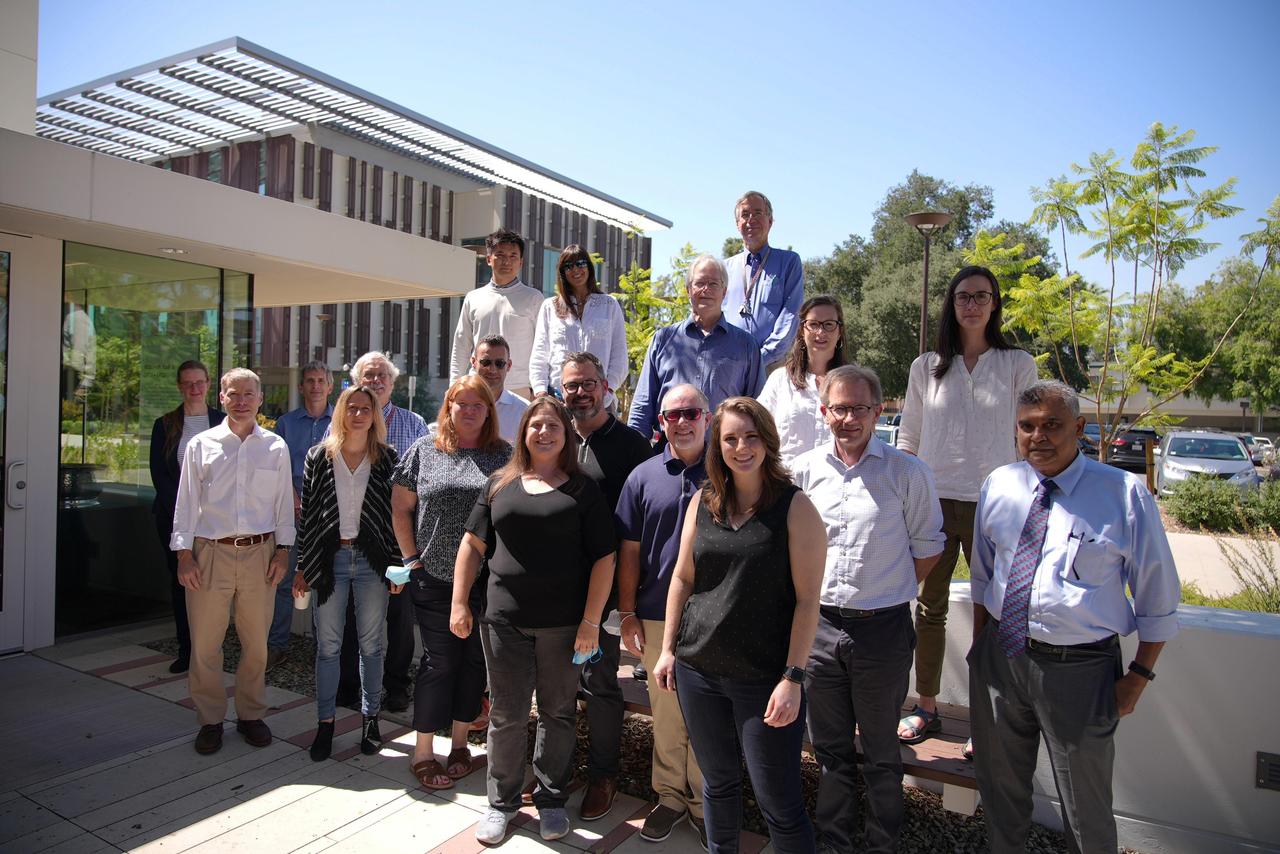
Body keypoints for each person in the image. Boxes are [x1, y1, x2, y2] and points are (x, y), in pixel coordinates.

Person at [968, 380, 1180, 853]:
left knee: (1085, 807)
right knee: (1001, 790)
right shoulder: (1001, 484)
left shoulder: (1122, 494)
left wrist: (1140, 675)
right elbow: (985, 576)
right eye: (1027, 426)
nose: (1038, 437)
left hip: (1080, 671)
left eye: (1052, 426)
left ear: (1079, 428)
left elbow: (1157, 596)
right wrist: (981, 648)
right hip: (1002, 657)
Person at [653, 397, 825, 854]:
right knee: (719, 783)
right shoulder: (702, 502)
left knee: (780, 804)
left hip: (763, 679)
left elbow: (809, 601)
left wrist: (793, 677)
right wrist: (668, 649)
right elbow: (683, 578)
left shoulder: (795, 508)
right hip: (698, 671)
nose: (741, 447)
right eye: (730, 438)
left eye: (751, 436)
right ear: (718, 444)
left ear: (767, 441)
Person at [791, 365, 945, 854]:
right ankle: (834, 842)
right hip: (820, 630)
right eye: (840, 408)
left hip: (882, 631)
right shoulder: (804, 471)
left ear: (880, 411)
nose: (849, 418)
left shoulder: (908, 473)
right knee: (831, 750)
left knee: (881, 751)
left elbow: (928, 549)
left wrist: (886, 587)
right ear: (824, 412)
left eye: (860, 408)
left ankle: (883, 843)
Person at [450, 397, 617, 845]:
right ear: (523, 432)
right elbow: (471, 545)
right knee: (506, 714)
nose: (543, 433)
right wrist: (459, 602)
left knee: (558, 713)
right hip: (504, 622)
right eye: (535, 426)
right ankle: (500, 804)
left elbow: (605, 557)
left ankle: (550, 799)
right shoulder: (499, 484)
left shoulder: (585, 489)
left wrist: (590, 621)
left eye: (553, 426)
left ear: (566, 435)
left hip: (565, 626)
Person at [897, 265, 1038, 755]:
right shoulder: (927, 366)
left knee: (990, 614)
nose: (972, 305)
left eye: (981, 296)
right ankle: (926, 706)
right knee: (928, 609)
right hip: (933, 505)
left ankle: (984, 716)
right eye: (963, 297)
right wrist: (907, 502)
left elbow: (1027, 436)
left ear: (995, 304)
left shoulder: (1017, 363)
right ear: (951, 305)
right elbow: (910, 440)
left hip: (995, 505)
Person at [391, 376, 510, 790]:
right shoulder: (425, 449)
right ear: (449, 406)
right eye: (463, 402)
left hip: (487, 580)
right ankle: (423, 750)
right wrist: (411, 559)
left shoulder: (505, 457)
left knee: (474, 662)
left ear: (489, 411)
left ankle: (460, 742)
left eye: (479, 403)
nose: (471, 410)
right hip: (434, 576)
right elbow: (401, 508)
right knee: (439, 661)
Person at [170, 368, 293, 755]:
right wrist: (184, 554)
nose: (241, 400)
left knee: (256, 643)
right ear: (220, 397)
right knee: (205, 644)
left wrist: (284, 550)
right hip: (209, 553)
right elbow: (186, 501)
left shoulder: (275, 446)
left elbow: (283, 505)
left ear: (260, 399)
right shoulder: (201, 444)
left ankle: (250, 714)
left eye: (248, 394)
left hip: (261, 554)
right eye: (233, 393)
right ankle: (209, 720)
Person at [558, 352, 653, 821]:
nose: (580, 393)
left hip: (610, 592)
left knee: (600, 683)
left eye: (588, 384)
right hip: (556, 587)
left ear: (605, 387)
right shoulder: (553, 438)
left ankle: (603, 773)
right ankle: (560, 768)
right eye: (571, 386)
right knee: (557, 683)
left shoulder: (632, 446)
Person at [615, 383, 710, 846]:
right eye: (673, 415)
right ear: (661, 424)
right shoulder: (643, 477)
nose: (683, 421)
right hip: (654, 615)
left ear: (707, 418)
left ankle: (704, 801)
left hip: (716, 617)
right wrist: (627, 612)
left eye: (692, 412)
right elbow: (628, 551)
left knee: (709, 714)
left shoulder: (731, 471)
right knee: (668, 714)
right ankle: (671, 797)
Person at [293, 385, 402, 761]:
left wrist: (396, 566)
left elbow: (394, 519)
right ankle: (326, 724)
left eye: (365, 409)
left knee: (373, 646)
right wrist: (302, 566)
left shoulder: (388, 458)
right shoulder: (318, 457)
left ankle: (371, 720)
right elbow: (308, 517)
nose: (358, 414)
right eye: (352, 408)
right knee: (328, 647)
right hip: (329, 560)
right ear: (341, 412)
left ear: (375, 415)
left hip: (373, 562)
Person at [328, 352, 428, 714]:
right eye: (368, 375)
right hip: (356, 537)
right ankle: (349, 685)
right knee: (354, 613)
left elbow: (425, 477)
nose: (376, 380)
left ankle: (397, 685)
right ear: (358, 380)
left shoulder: (414, 423)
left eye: (382, 375)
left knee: (400, 616)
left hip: (400, 537)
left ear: (393, 381)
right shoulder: (338, 425)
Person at [628, 255, 764, 437]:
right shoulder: (663, 341)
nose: (706, 289)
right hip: (670, 454)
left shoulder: (746, 345)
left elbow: (758, 409)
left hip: (723, 456)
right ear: (688, 290)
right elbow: (643, 405)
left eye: (714, 284)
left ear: (724, 291)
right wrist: (635, 451)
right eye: (699, 283)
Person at [149, 360, 224, 674]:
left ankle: (211, 651)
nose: (195, 389)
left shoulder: (224, 421)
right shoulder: (165, 425)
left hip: (217, 521)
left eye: (200, 382)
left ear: (209, 384)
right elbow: (160, 475)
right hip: (174, 518)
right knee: (182, 583)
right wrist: (184, 512)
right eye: (188, 383)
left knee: (215, 586)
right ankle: (187, 650)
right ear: (180, 386)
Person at [268, 361, 334, 672]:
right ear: (301, 386)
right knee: (283, 580)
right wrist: (291, 498)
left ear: (330, 386)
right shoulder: (285, 423)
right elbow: (276, 468)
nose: (316, 386)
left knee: (323, 581)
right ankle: (277, 645)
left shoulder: (342, 421)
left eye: (321, 380)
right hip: (290, 510)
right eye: (310, 381)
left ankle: (323, 650)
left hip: (327, 514)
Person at [449, 229, 545, 399]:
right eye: (500, 255)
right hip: (478, 387)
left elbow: (543, 347)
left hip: (519, 388)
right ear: (488, 259)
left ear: (521, 262)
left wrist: (539, 387)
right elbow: (461, 344)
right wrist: (454, 386)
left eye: (513, 256)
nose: (506, 261)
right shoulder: (473, 298)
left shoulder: (534, 298)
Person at [529, 245, 628, 407]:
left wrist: (608, 391)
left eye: (580, 263)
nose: (575, 269)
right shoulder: (550, 307)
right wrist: (541, 392)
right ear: (562, 272)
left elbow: (619, 356)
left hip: (599, 399)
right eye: (568, 266)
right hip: (559, 398)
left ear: (589, 267)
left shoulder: (609, 305)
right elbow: (540, 354)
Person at [756, 295, 848, 466]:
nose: (820, 332)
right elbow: (757, 431)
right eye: (813, 324)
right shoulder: (779, 380)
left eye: (829, 324)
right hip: (786, 485)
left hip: (836, 484)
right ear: (801, 330)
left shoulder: (854, 385)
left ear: (839, 331)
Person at [722, 191, 805, 370]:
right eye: (745, 215)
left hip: (772, 365)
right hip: (731, 366)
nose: (751, 219)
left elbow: (791, 314)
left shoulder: (788, 262)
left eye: (758, 213)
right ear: (737, 224)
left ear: (770, 221)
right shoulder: (724, 268)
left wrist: (762, 357)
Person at [469, 334, 528, 443]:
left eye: (499, 363)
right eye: (486, 362)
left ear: (509, 365)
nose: (492, 369)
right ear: (473, 362)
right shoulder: (460, 405)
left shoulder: (524, 410)